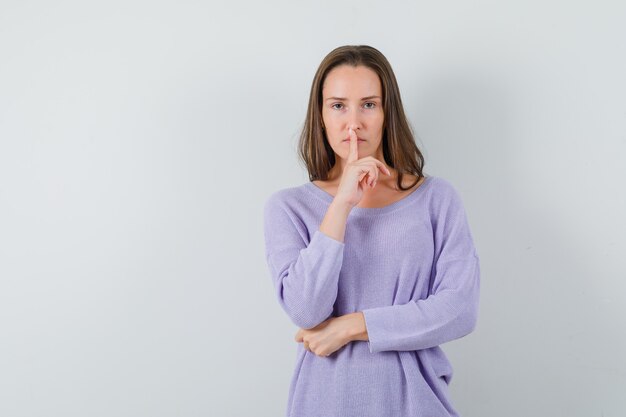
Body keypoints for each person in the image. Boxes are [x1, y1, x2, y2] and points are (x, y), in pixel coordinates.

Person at [263, 45, 481, 417]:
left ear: (386, 113)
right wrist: (341, 205)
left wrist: (351, 326)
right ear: (319, 116)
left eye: (368, 104)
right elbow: (305, 309)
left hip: (417, 404)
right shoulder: (288, 208)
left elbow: (459, 309)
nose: (354, 122)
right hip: (325, 403)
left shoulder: (435, 198)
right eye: (338, 105)